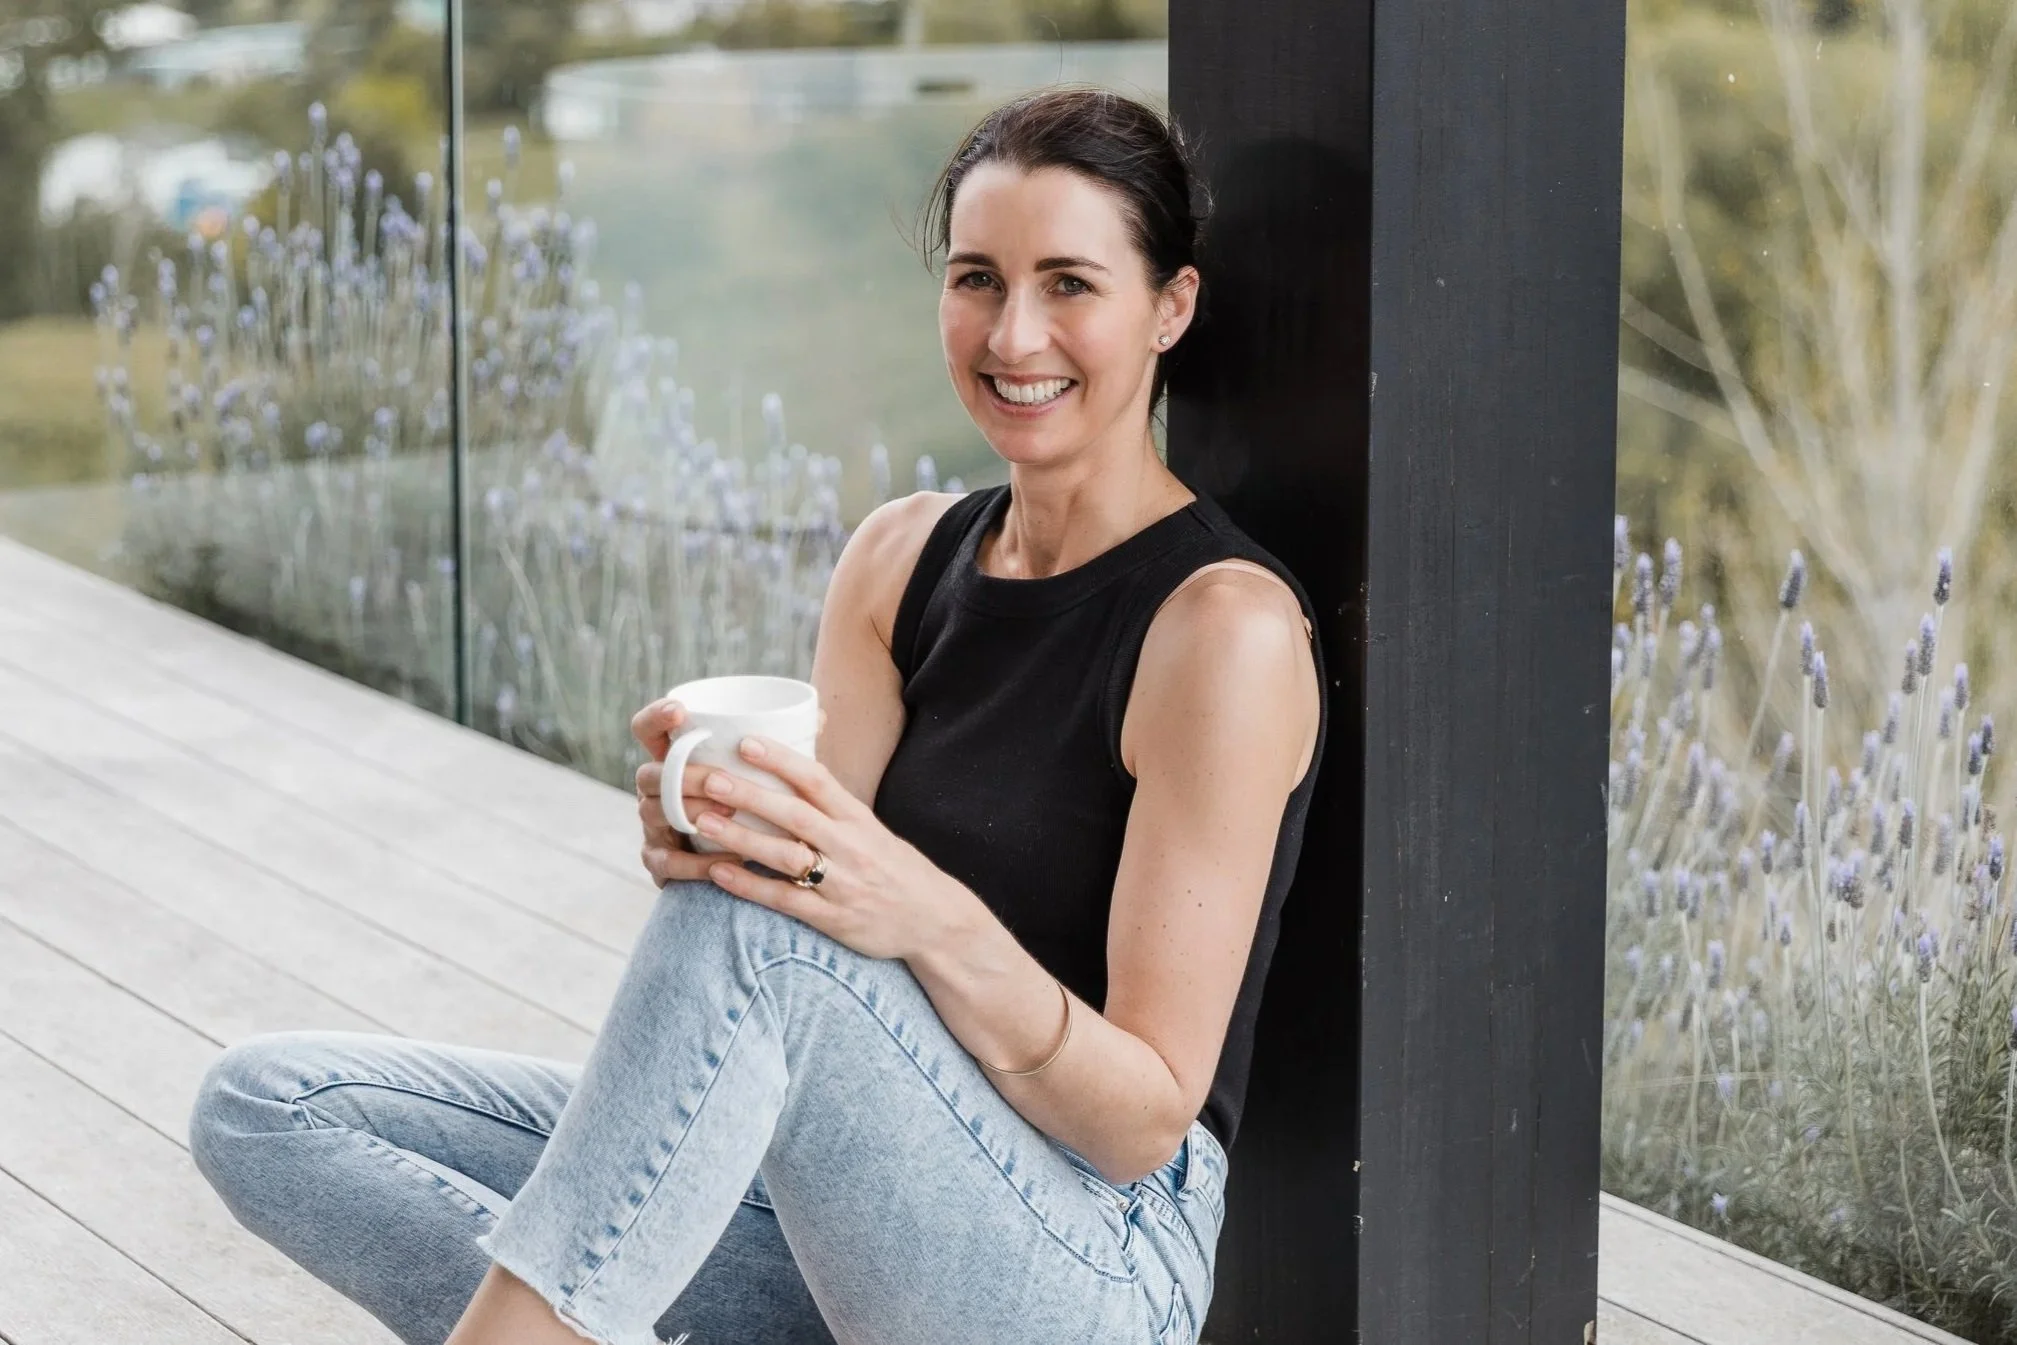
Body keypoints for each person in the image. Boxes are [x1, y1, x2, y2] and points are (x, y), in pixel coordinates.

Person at [187, 86, 1326, 1345]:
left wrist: (915, 910)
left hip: (1088, 1256)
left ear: (1170, 306)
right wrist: (714, 832)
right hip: (833, 1215)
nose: (1013, 334)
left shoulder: (1222, 627)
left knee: (767, 935)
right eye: (975, 278)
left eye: (1069, 284)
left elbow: (1142, 1118)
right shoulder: (900, 560)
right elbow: (798, 910)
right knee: (272, 1103)